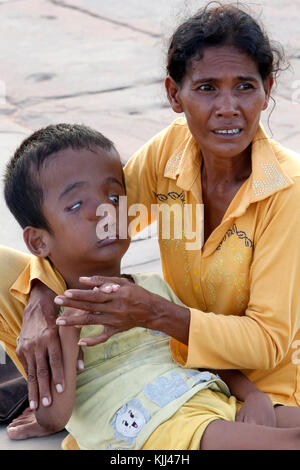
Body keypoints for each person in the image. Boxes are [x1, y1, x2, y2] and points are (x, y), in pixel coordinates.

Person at [1, 2, 300, 447]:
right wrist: (42, 297)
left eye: (244, 87)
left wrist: (159, 314)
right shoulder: (171, 153)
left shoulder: (285, 190)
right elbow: (102, 222)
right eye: (206, 88)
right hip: (164, 355)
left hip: (252, 379)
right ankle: (70, 382)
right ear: (174, 95)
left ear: (267, 89)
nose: (228, 107)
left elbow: (268, 343)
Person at [2, 122, 292, 451]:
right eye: (75, 205)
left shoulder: (150, 289)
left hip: (205, 400)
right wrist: (65, 333)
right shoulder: (64, 318)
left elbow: (199, 355)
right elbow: (55, 418)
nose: (104, 210)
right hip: (156, 432)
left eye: (114, 196)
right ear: (38, 241)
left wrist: (253, 395)